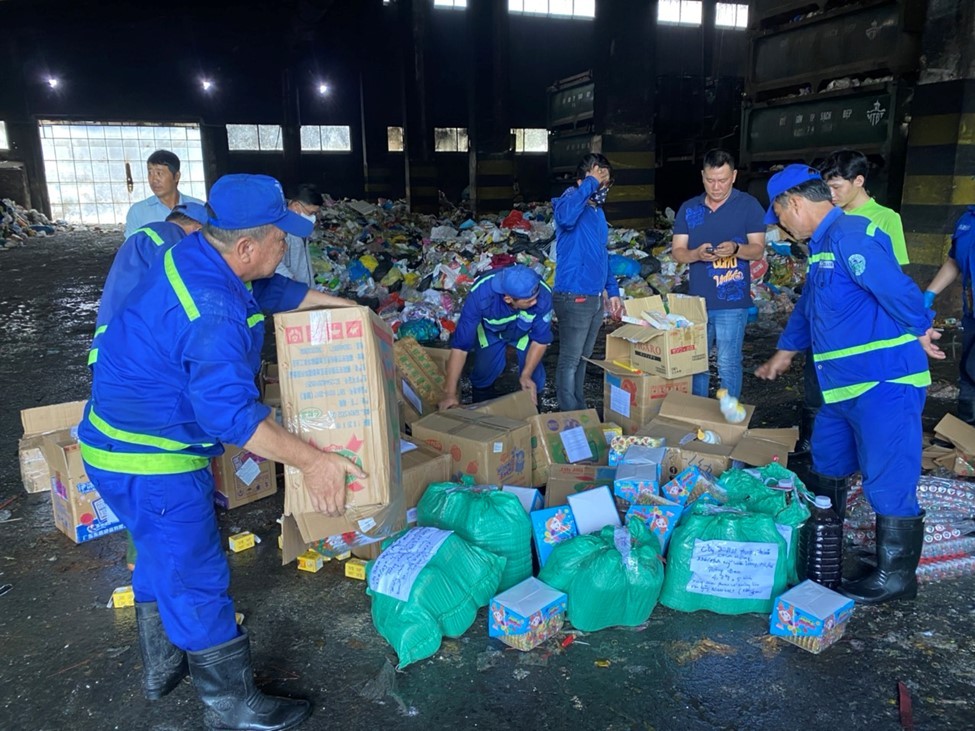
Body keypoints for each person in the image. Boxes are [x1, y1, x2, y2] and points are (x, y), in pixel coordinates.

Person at [79, 174, 358, 731]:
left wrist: (346, 312)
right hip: (151, 459)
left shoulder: (201, 254)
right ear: (247, 247)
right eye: (281, 238)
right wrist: (315, 460)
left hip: (113, 443)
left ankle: (162, 667)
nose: (287, 247)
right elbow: (229, 416)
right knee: (196, 573)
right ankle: (231, 704)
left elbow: (270, 290)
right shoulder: (213, 312)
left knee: (159, 554)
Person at [754, 164, 944, 605]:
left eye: (780, 215)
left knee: (887, 475)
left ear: (796, 204)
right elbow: (808, 307)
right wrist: (785, 351)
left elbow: (894, 286)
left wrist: (920, 327)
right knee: (828, 460)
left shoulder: (851, 236)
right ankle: (827, 547)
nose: (782, 224)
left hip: (884, 381)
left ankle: (897, 578)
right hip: (841, 387)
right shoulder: (821, 249)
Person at [790, 150, 913, 454]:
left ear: (859, 181)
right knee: (816, 387)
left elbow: (892, 280)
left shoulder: (885, 219)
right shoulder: (829, 219)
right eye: (826, 189)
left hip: (861, 329)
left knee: (858, 396)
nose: (829, 196)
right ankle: (813, 450)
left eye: (836, 188)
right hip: (825, 324)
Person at [671, 149, 766, 399]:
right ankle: (699, 417)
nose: (716, 186)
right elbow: (678, 251)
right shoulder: (689, 209)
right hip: (697, 303)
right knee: (696, 364)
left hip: (732, 302)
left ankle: (728, 420)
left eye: (722, 180)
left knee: (728, 363)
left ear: (733, 176)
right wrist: (696, 255)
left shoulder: (748, 206)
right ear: (702, 176)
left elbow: (757, 250)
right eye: (710, 180)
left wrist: (736, 249)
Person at [551, 153, 623, 411]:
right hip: (573, 294)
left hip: (593, 297)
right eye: (600, 181)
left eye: (605, 183)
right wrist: (592, 182)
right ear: (586, 180)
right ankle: (569, 417)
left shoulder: (596, 212)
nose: (604, 188)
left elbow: (601, 254)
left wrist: (612, 291)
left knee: (582, 358)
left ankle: (579, 411)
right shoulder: (568, 201)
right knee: (570, 360)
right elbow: (566, 218)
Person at [438, 265, 553, 409]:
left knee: (534, 378)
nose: (534, 302)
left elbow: (540, 340)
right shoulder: (480, 294)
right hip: (491, 332)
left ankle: (533, 413)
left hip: (524, 333)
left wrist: (526, 374)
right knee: (482, 374)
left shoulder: (543, 294)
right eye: (529, 301)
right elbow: (460, 347)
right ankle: (481, 415)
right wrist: (450, 393)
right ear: (508, 299)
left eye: (535, 298)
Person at [94, 203, 209, 333]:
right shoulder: (173, 238)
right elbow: (182, 289)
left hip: (112, 334)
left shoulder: (150, 233)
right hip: (134, 336)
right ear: (198, 230)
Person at [924, 206, 975, 423]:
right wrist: (929, 292)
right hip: (972, 311)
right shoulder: (967, 219)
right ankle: (966, 430)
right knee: (968, 369)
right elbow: (955, 261)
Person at [124, 150, 204, 238]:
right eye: (150, 173)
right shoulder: (138, 212)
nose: (154, 179)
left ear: (176, 176)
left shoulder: (200, 207)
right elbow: (131, 248)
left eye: (159, 173)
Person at [274, 184, 322, 287]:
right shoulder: (278, 230)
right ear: (296, 206)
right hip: (289, 293)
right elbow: (273, 264)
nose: (313, 217)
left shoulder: (301, 227)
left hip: (304, 290)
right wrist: (292, 282)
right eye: (311, 213)